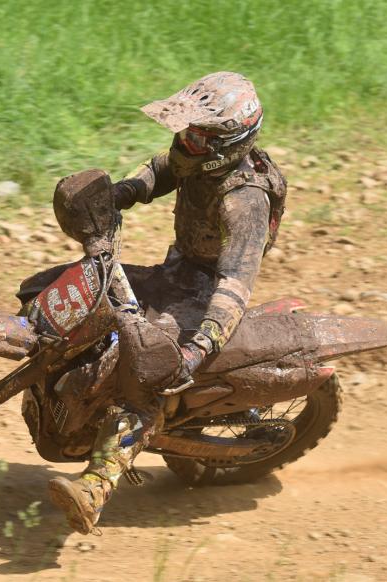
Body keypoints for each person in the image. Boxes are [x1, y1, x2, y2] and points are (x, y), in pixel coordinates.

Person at [45, 71, 288, 534]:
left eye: (197, 135)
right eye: (185, 130)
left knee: (147, 368)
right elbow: (160, 171)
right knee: (81, 291)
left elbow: (237, 282)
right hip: (176, 269)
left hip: (207, 297)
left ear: (225, 145)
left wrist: (200, 346)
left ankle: (97, 485)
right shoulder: (196, 156)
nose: (185, 140)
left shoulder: (246, 200)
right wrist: (119, 193)